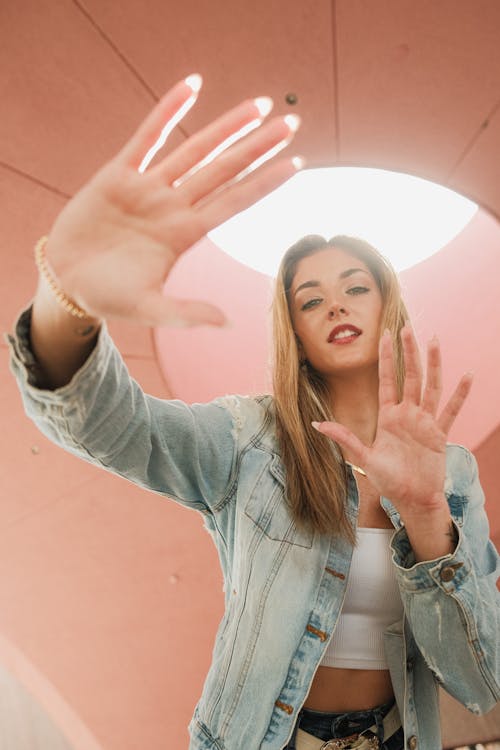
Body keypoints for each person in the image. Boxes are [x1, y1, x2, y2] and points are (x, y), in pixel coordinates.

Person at [8, 75, 499, 750]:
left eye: (357, 286)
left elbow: (482, 682)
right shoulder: (248, 438)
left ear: (389, 307)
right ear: (293, 331)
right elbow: (110, 426)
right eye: (310, 298)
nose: (335, 304)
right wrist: (68, 296)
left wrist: (427, 520)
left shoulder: (454, 474)